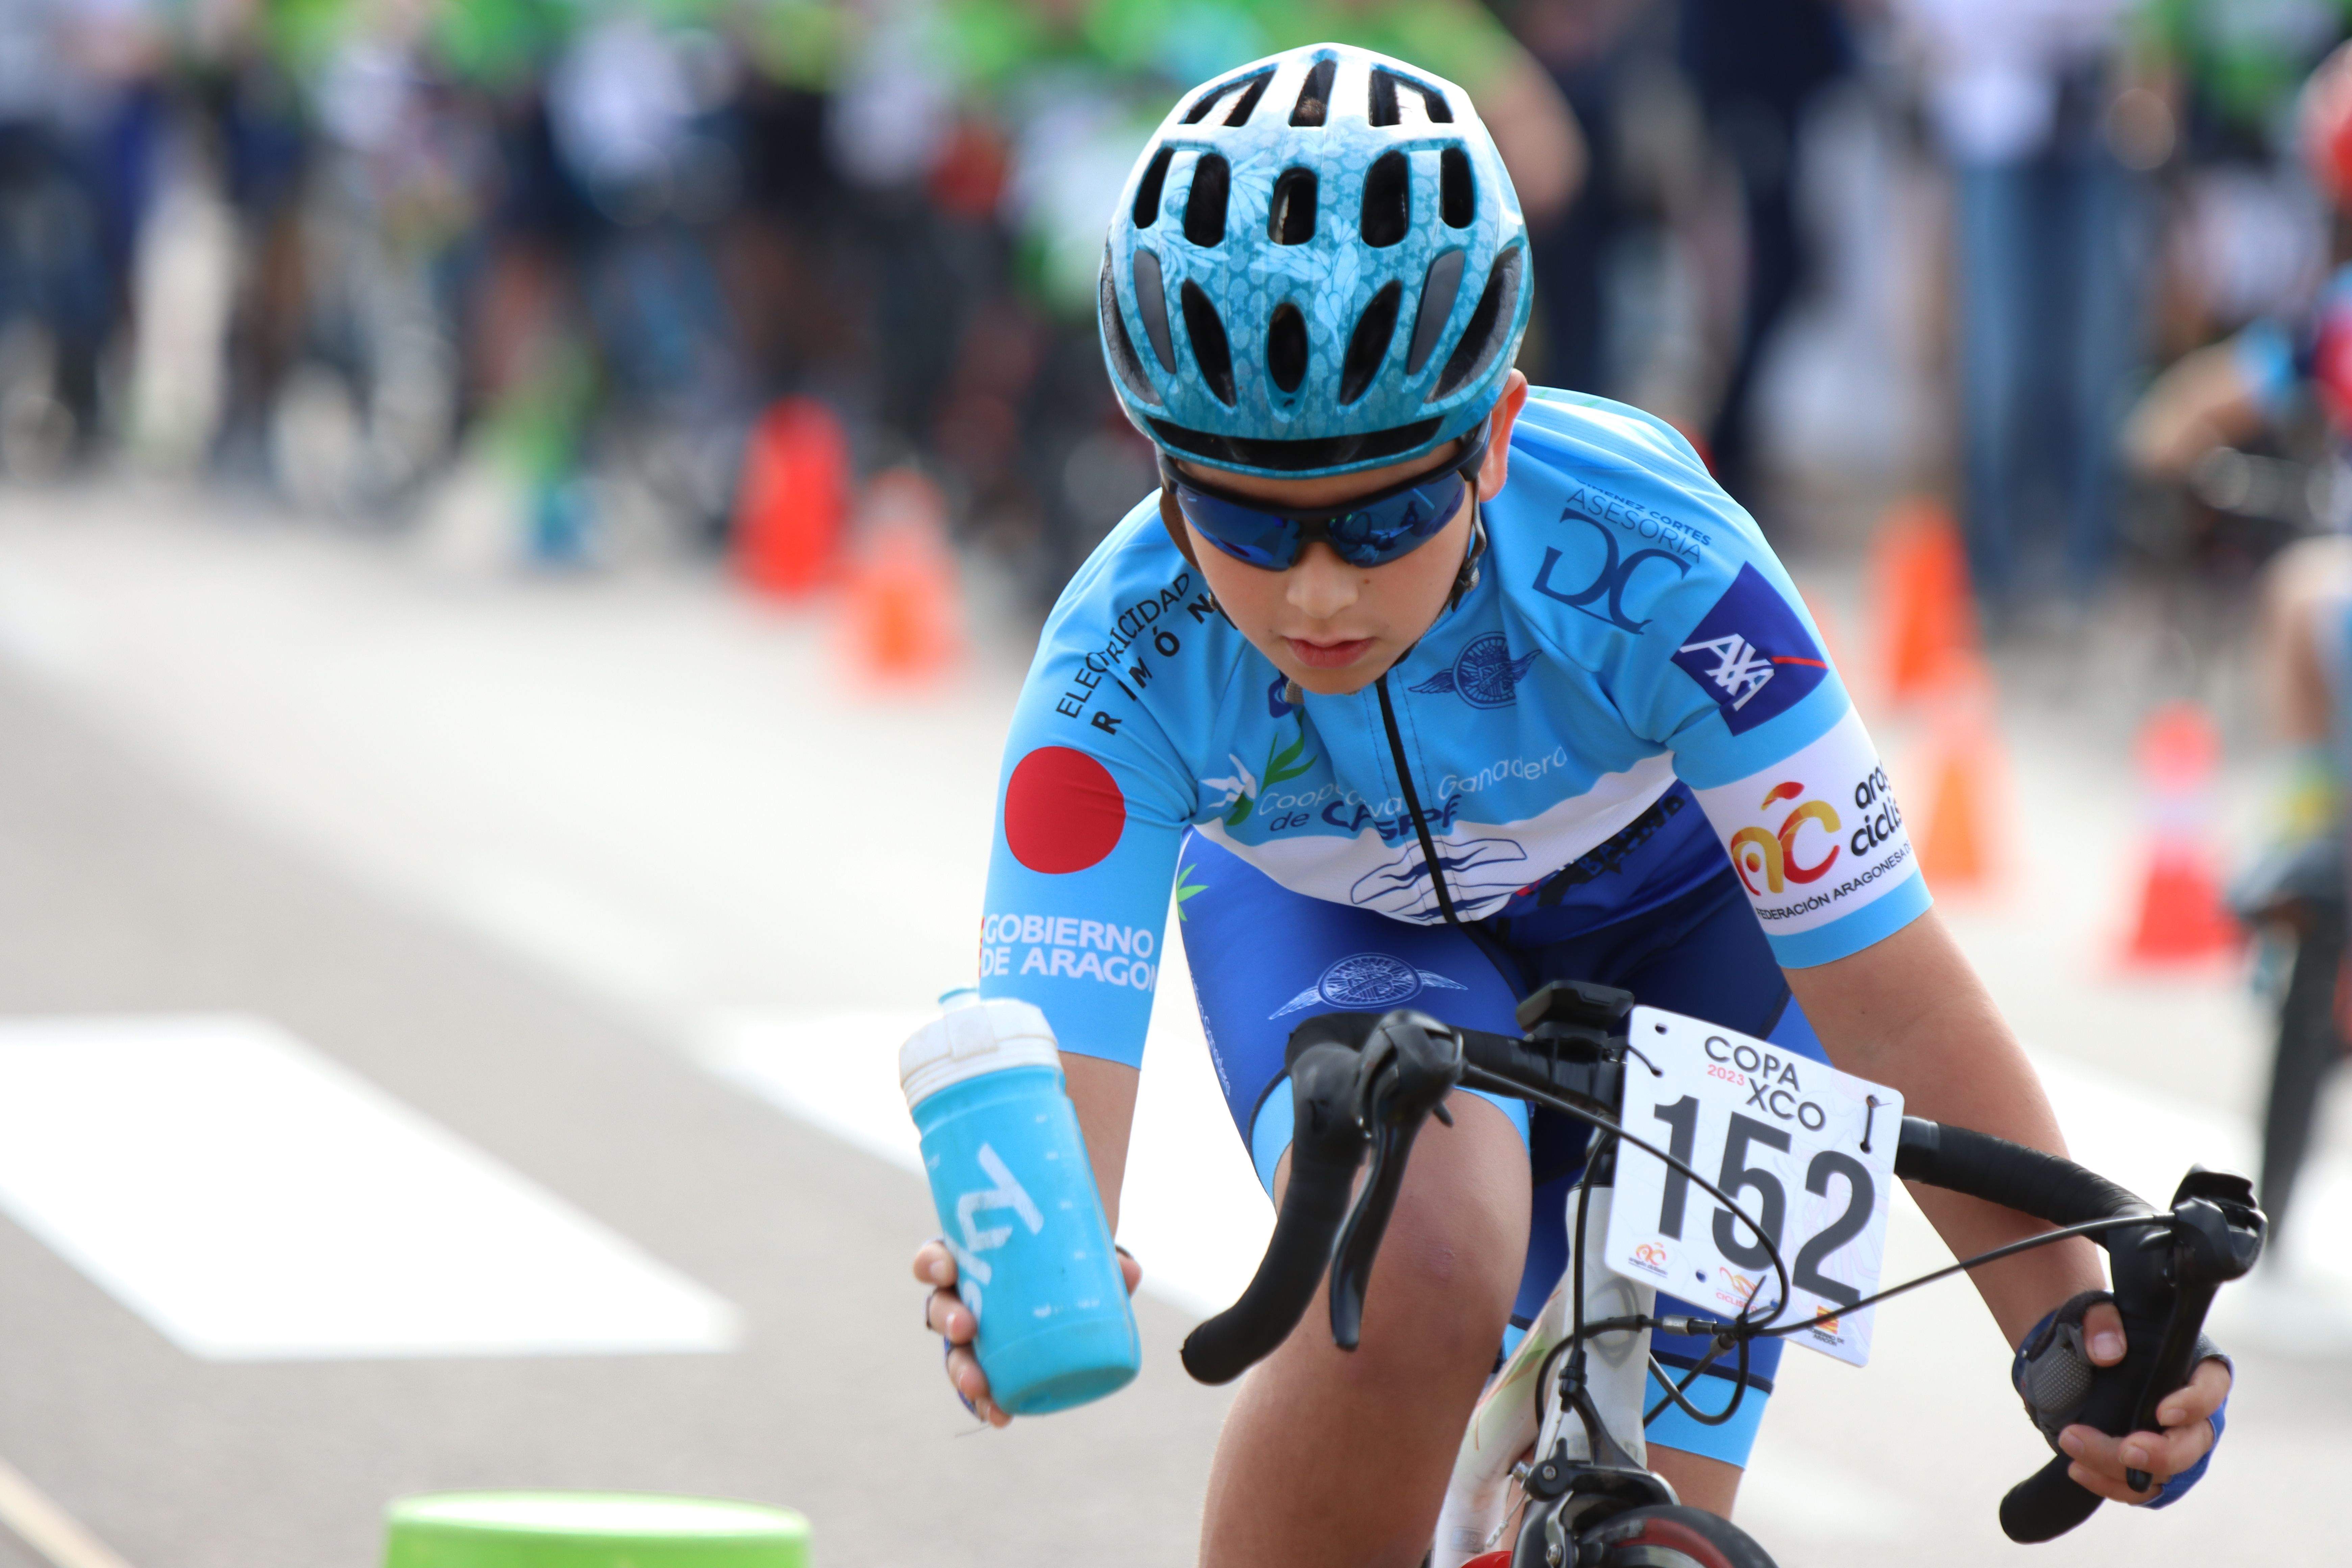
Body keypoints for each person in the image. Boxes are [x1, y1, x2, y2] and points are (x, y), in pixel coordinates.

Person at [916, 43, 2232, 1561]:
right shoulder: (1116, 661)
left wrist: (2077, 1336)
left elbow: (1894, 1003)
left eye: (1390, 509)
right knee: (1417, 1249)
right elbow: (1044, 1085)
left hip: (1695, 927)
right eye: (1243, 518)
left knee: (1656, 1522)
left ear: (1494, 431)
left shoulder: (1661, 555)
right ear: (1157, 473)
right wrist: (1026, 1252)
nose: (1320, 589)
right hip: (1342, 926)